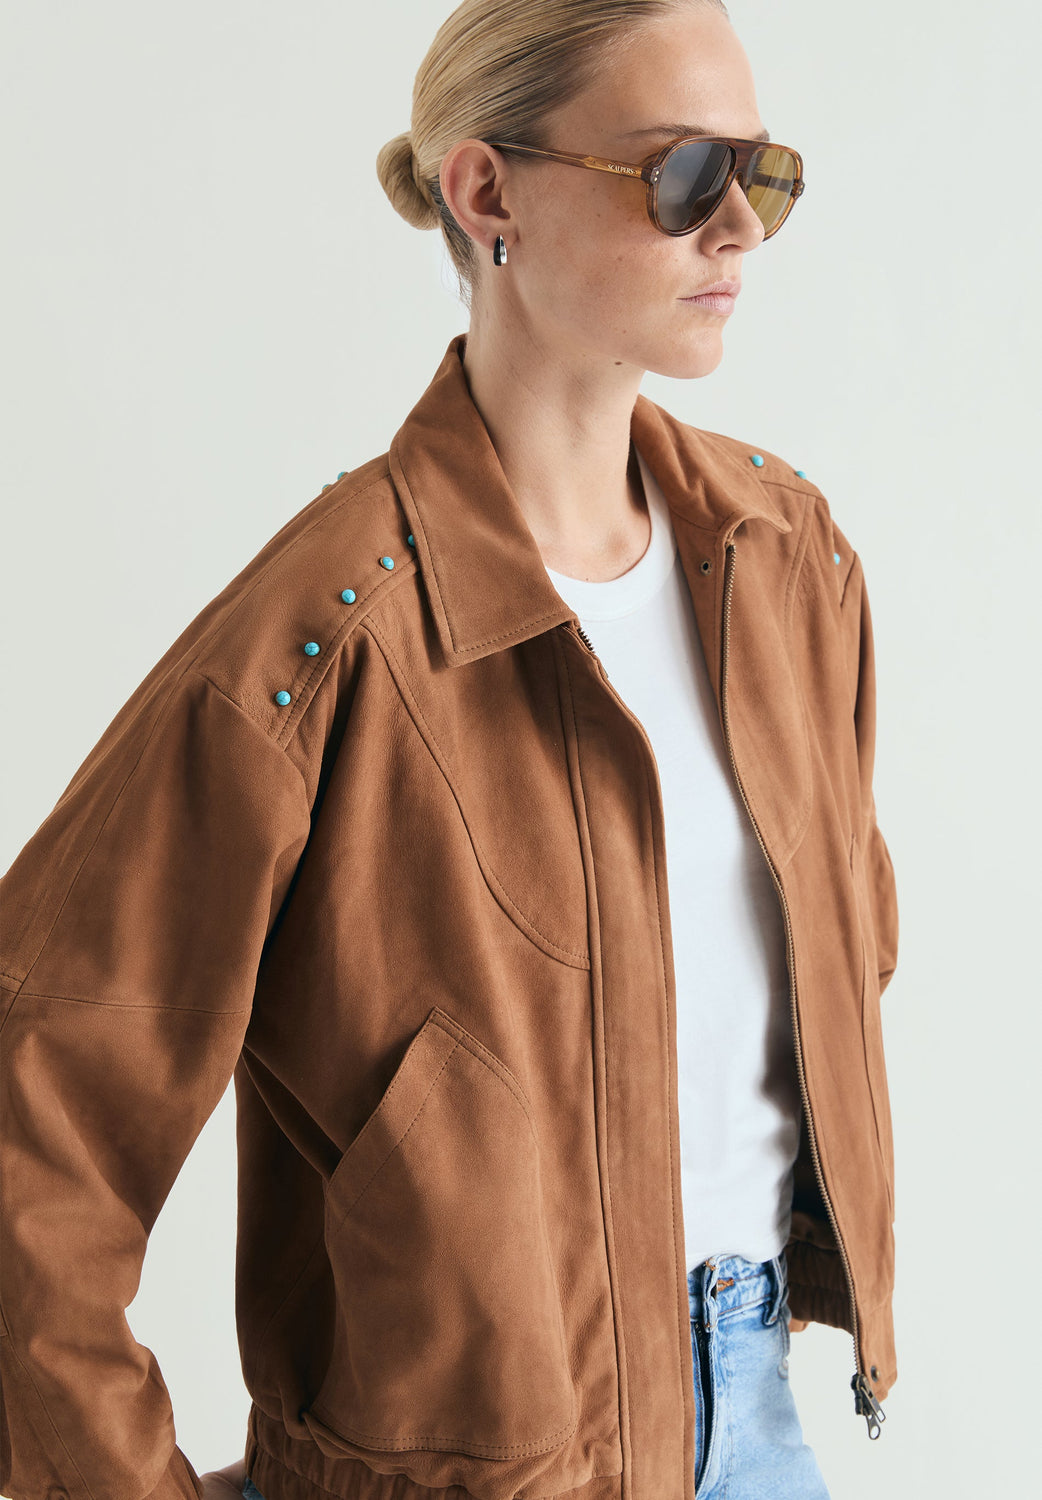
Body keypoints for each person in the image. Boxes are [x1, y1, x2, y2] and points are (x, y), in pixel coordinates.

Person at [0, 2, 900, 1499]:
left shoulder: (787, 562)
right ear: (488, 195)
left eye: (766, 173)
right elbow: (35, 1115)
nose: (740, 225)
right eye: (686, 173)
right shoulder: (326, 634)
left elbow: (841, 957)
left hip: (758, 1419)